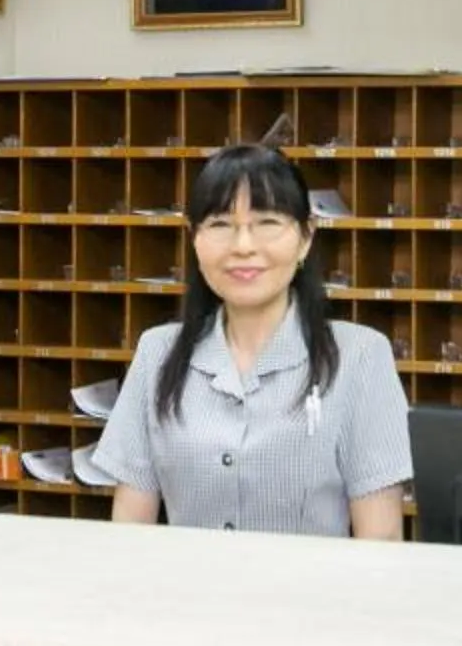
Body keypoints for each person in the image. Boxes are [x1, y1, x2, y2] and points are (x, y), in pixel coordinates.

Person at [84, 144, 411, 538]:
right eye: (221, 224)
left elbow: (381, 541)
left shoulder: (360, 357)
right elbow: (129, 532)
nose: (243, 246)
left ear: (306, 237)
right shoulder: (157, 352)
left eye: (267, 222)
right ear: (194, 238)